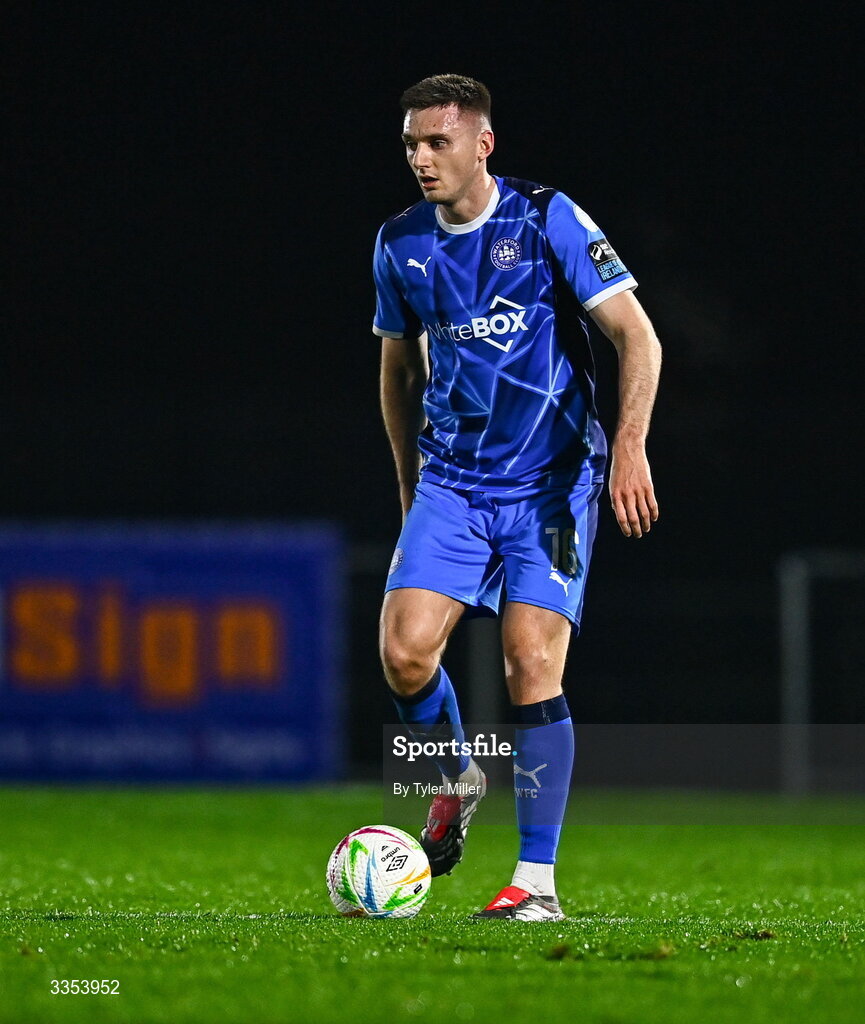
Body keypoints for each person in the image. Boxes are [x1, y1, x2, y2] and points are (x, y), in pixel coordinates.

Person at [373, 74, 661, 921]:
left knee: (529, 662)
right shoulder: (399, 243)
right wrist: (408, 484)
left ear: (481, 144)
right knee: (404, 654)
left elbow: (635, 334)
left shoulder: (544, 219)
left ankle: (534, 884)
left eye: (438, 142)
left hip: (551, 485)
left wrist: (629, 446)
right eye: (411, 145)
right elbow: (397, 371)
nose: (422, 159)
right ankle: (455, 780)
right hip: (452, 483)